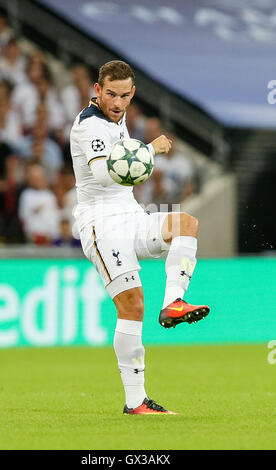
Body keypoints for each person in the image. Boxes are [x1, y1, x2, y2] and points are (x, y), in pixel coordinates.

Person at [70, 60, 210, 415]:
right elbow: (105, 175)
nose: (117, 102)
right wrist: (151, 150)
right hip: (101, 226)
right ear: (98, 91)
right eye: (110, 94)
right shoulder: (90, 126)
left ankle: (174, 302)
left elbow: (126, 177)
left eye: (124, 95)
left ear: (132, 94)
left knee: (187, 224)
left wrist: (142, 155)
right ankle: (136, 401)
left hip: (130, 216)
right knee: (131, 308)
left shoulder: (118, 123)